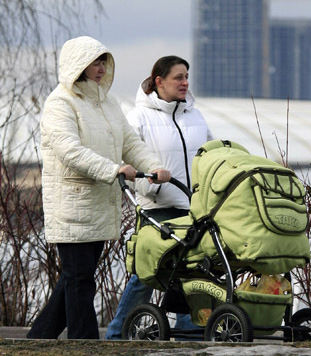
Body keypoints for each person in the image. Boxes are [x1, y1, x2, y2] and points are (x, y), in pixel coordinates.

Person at [26, 36, 171, 340]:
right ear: (78, 65)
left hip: (99, 204)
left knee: (74, 279)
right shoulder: (60, 103)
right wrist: (113, 169)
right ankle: (86, 343)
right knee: (79, 280)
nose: (101, 67)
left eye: (104, 61)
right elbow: (69, 150)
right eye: (95, 61)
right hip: (73, 203)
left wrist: (153, 167)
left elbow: (129, 142)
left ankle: (39, 338)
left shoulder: (107, 103)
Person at [105, 55, 212, 340]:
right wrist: (151, 186)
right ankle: (117, 335)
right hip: (158, 208)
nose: (185, 82)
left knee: (192, 273)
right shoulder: (139, 118)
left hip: (193, 208)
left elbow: (211, 157)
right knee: (147, 273)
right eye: (178, 77)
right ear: (159, 81)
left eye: (187, 76)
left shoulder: (196, 117)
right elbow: (130, 159)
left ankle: (189, 333)